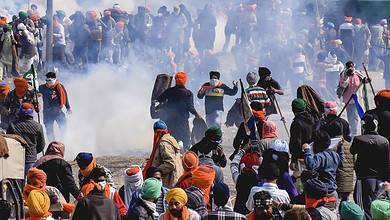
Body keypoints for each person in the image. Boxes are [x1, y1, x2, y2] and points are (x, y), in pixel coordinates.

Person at [351, 114, 390, 219]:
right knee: (380, 207)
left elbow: (352, 151)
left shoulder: (359, 139)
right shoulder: (384, 141)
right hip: (380, 179)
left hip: (364, 178)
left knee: (364, 207)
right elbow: (387, 161)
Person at [157, 72, 200, 149]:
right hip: (182, 121)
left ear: (176, 80)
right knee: (186, 139)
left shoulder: (169, 91)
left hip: (171, 120)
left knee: (172, 140)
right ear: (185, 80)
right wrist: (197, 114)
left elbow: (160, 99)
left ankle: (173, 154)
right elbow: (190, 107)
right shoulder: (188, 93)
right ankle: (186, 156)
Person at [7, 103, 45, 178]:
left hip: (16, 158)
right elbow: (41, 145)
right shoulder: (38, 126)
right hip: (31, 158)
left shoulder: (12, 125)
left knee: (16, 182)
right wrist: (33, 152)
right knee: (30, 180)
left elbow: (9, 142)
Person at [303, 130, 342, 200]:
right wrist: (340, 148)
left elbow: (310, 165)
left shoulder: (320, 156)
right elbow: (341, 163)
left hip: (322, 192)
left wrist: (307, 150)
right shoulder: (335, 154)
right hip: (333, 191)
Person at [144, 120, 183, 188]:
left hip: (170, 180)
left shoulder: (164, 143)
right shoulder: (171, 139)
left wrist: (157, 170)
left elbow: (170, 163)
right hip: (177, 176)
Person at [337, 61, 367, 137]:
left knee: (356, 115)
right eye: (349, 67)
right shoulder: (343, 74)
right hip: (348, 98)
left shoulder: (357, 73)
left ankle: (355, 131)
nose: (351, 69)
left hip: (357, 98)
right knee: (350, 115)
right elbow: (342, 85)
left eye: (352, 67)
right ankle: (352, 129)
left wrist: (368, 80)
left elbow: (364, 80)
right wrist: (347, 76)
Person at [39, 72, 71, 141]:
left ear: (54, 79)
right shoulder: (42, 88)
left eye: (50, 80)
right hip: (47, 113)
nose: (48, 82)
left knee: (63, 128)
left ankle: (63, 142)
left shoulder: (60, 87)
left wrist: (68, 108)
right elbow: (37, 94)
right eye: (47, 80)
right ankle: (52, 144)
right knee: (49, 131)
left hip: (58, 112)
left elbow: (65, 97)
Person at [230, 148, 261, 215]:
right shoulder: (260, 181)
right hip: (252, 215)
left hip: (238, 213)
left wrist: (242, 151)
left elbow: (233, 165)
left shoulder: (239, 179)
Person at [289, 98, 315, 168]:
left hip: (301, 157)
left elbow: (296, 142)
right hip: (313, 154)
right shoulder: (312, 118)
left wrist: (293, 160)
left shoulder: (296, 123)